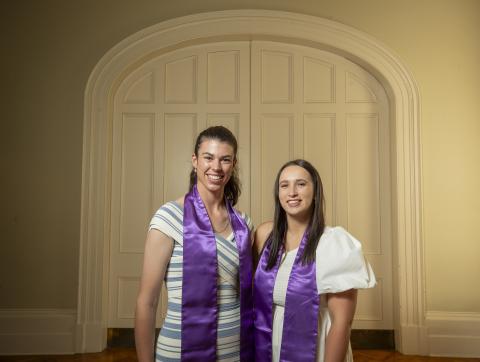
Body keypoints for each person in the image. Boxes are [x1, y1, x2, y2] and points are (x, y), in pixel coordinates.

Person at [135, 126, 254, 362]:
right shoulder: (169, 217)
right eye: (208, 157)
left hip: (236, 352)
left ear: (234, 164)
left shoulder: (244, 223)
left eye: (225, 159)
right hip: (180, 352)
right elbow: (146, 303)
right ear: (195, 161)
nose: (216, 167)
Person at [253, 159, 376, 362]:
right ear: (278, 194)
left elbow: (341, 323)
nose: (292, 192)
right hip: (269, 345)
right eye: (284, 185)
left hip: (315, 348)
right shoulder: (265, 235)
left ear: (315, 192)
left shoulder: (334, 244)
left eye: (301, 184)